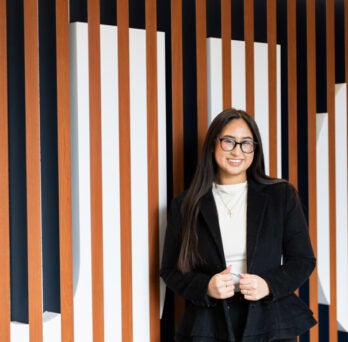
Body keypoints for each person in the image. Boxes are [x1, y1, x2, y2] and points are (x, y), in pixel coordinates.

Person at [160, 108, 316, 341]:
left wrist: (268, 284)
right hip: (209, 324)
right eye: (229, 141)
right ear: (213, 145)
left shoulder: (280, 195)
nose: (237, 151)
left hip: (269, 322)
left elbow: (303, 260)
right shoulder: (185, 204)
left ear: (255, 149)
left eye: (246, 143)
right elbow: (170, 269)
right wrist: (206, 287)